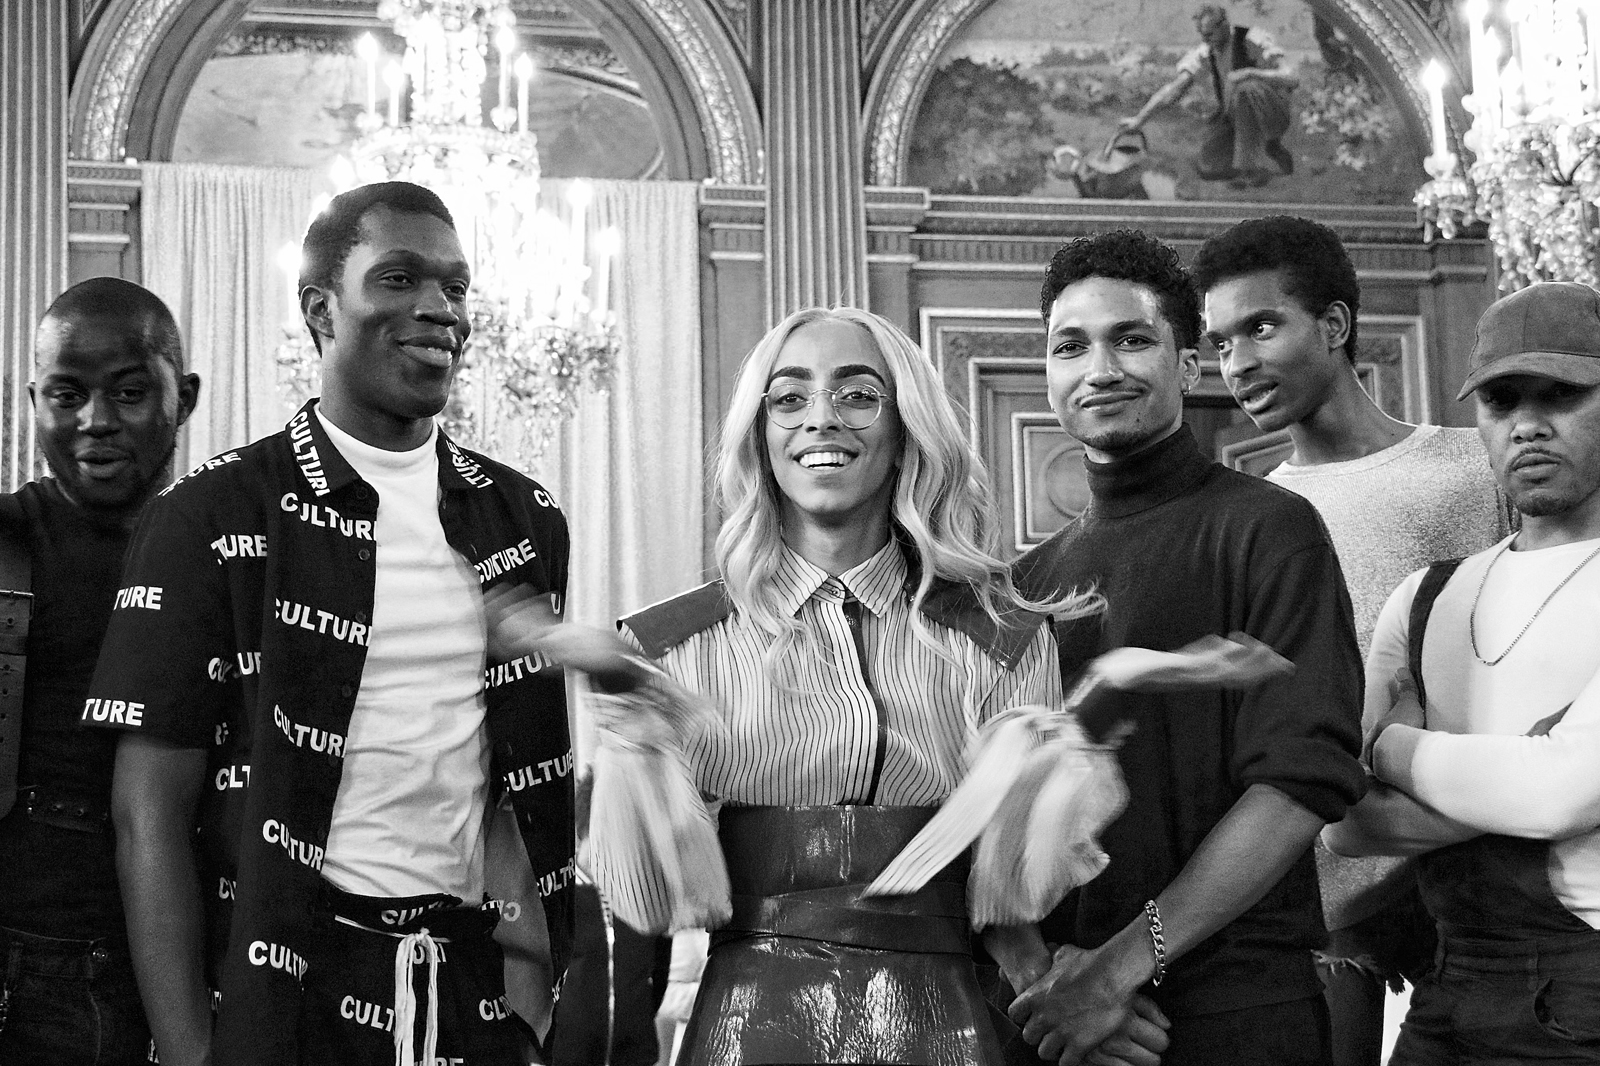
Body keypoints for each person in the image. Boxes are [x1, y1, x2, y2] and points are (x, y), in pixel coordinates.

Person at [503, 307, 1295, 1066]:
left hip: (944, 1023)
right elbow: (644, 910)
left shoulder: (1003, 639)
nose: (821, 418)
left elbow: (1008, 896)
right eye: (789, 400)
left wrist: (1070, 1000)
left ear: (906, 428)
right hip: (750, 1026)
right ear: (761, 436)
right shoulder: (668, 645)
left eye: (857, 394)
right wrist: (629, 721)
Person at [86, 181, 575, 1066]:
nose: (440, 309)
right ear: (319, 309)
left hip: (469, 996)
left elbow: (509, 790)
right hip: (282, 1000)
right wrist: (193, 1053)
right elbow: (147, 812)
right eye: (398, 278)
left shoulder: (522, 519)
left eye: (455, 287)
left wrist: (532, 1014)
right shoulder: (212, 515)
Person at [1011, 230, 1367, 1066]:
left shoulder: (1270, 528)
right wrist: (1053, 978)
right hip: (1069, 1024)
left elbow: (1299, 781)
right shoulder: (1028, 582)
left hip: (1239, 1007)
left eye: (1132, 340)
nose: (1100, 368)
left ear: (1189, 366)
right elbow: (1004, 819)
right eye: (1071, 346)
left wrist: (1119, 969)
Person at [1192, 215, 1512, 1066]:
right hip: (1322, 900)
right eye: (1221, 343)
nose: (1237, 363)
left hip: (1486, 870)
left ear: (1333, 324)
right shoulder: (1249, 518)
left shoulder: (1477, 467)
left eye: (1262, 327)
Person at [1324, 280, 1600, 1065]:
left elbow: (1557, 795)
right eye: (1502, 400)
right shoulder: (1427, 595)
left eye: (1563, 395)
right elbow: (1344, 820)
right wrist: (1526, 776)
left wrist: (1388, 748)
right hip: (1448, 979)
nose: (1528, 425)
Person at [0, 278, 199, 1065]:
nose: (96, 420)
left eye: (128, 391)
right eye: (66, 394)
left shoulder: (230, 555)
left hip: (197, 961)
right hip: (24, 961)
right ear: (34, 403)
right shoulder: (7, 541)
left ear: (183, 398)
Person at [1119, 4, 1298, 187]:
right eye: (1202, 35)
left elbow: (1292, 77)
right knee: (1209, 166)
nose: (1206, 40)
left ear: (1224, 25)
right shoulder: (1207, 52)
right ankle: (1269, 152)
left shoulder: (1251, 39)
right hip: (1236, 119)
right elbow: (1173, 89)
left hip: (1272, 115)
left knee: (1245, 89)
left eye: (1210, 34)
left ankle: (1250, 169)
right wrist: (1139, 119)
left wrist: (1251, 73)